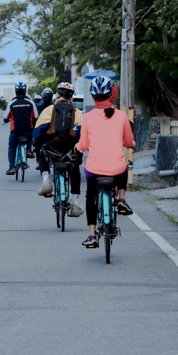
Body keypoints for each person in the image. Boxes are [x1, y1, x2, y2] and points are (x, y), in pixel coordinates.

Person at [76, 76, 135, 249]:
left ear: (93, 96)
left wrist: (78, 148)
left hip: (94, 170)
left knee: (90, 196)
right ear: (111, 94)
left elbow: (84, 145)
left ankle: (92, 234)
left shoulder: (87, 117)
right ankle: (122, 199)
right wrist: (132, 144)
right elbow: (128, 141)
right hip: (116, 170)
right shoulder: (122, 116)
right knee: (122, 166)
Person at [32, 82, 83, 213]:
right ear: (72, 96)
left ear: (57, 94)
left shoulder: (48, 110)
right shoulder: (78, 113)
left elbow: (38, 134)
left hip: (52, 149)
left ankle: (46, 180)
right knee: (75, 169)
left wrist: (37, 143)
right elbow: (83, 136)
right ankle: (76, 202)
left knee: (42, 151)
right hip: (70, 151)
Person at [3, 81, 37, 175]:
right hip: (28, 131)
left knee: (12, 147)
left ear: (16, 91)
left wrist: (6, 121)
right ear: (25, 91)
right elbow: (36, 117)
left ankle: (12, 167)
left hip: (15, 132)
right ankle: (29, 149)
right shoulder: (30, 103)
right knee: (32, 136)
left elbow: (6, 117)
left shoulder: (11, 103)